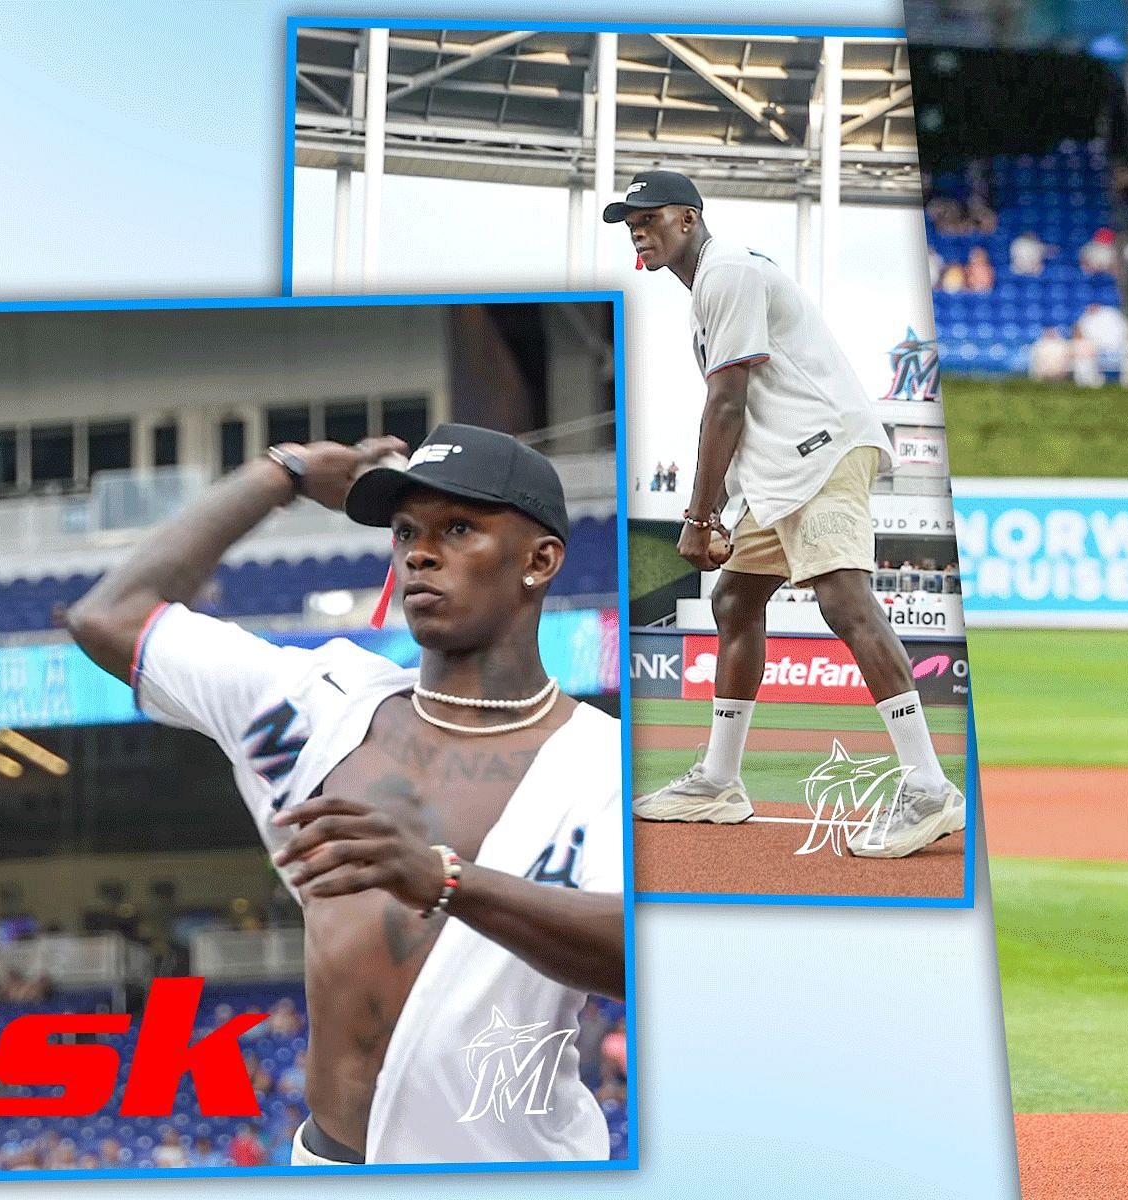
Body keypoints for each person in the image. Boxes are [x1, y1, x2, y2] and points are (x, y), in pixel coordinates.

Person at [66, 423, 626, 1165]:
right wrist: (285, 473)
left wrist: (445, 879)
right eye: (405, 532)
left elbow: (644, 951)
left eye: (458, 528)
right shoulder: (317, 705)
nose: (420, 552)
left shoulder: (604, 761)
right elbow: (107, 616)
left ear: (540, 559)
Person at [607, 170, 964, 859]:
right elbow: (740, 411)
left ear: (687, 218)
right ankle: (718, 780)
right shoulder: (713, 285)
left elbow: (727, 405)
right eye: (631, 225)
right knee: (736, 601)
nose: (639, 233)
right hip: (782, 470)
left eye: (648, 219)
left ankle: (926, 784)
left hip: (822, 452)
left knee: (845, 604)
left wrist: (699, 515)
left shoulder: (726, 273)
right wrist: (725, 507)